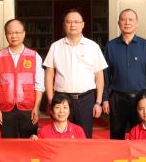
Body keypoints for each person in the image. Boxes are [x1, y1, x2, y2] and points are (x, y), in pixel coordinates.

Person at [43, 10, 108, 138]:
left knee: (84, 136)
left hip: (86, 99)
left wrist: (98, 102)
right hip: (62, 98)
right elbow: (49, 75)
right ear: (64, 25)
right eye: (69, 22)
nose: (73, 25)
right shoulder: (55, 46)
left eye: (76, 22)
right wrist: (51, 100)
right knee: (61, 135)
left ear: (82, 24)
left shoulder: (92, 46)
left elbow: (99, 76)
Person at [103, 9, 146, 140]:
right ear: (119, 23)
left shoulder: (145, 46)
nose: (127, 23)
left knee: (140, 135)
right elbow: (105, 76)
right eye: (123, 20)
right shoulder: (110, 46)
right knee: (116, 135)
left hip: (141, 98)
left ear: (136, 23)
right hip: (117, 98)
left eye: (131, 19)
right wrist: (105, 99)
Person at [0, 19, 45, 139]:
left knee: (29, 142)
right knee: (8, 143)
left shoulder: (34, 56)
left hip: (29, 108)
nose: (13, 36)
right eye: (10, 33)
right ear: (5, 35)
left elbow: (39, 85)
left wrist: (37, 107)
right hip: (5, 108)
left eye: (17, 32)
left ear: (24, 33)